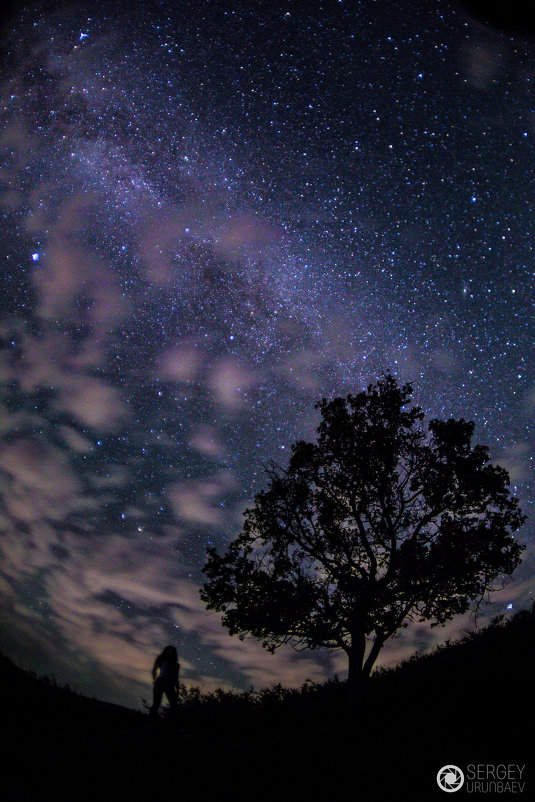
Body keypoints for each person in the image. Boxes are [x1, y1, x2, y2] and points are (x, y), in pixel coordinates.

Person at [150, 645, 180, 717]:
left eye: (172, 650)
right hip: (160, 682)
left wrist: (177, 689)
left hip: (169, 684)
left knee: (174, 704)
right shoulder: (161, 659)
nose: (170, 652)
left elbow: (176, 677)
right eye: (169, 650)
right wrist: (154, 680)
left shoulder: (176, 664)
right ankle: (151, 719)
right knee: (156, 703)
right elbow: (154, 669)